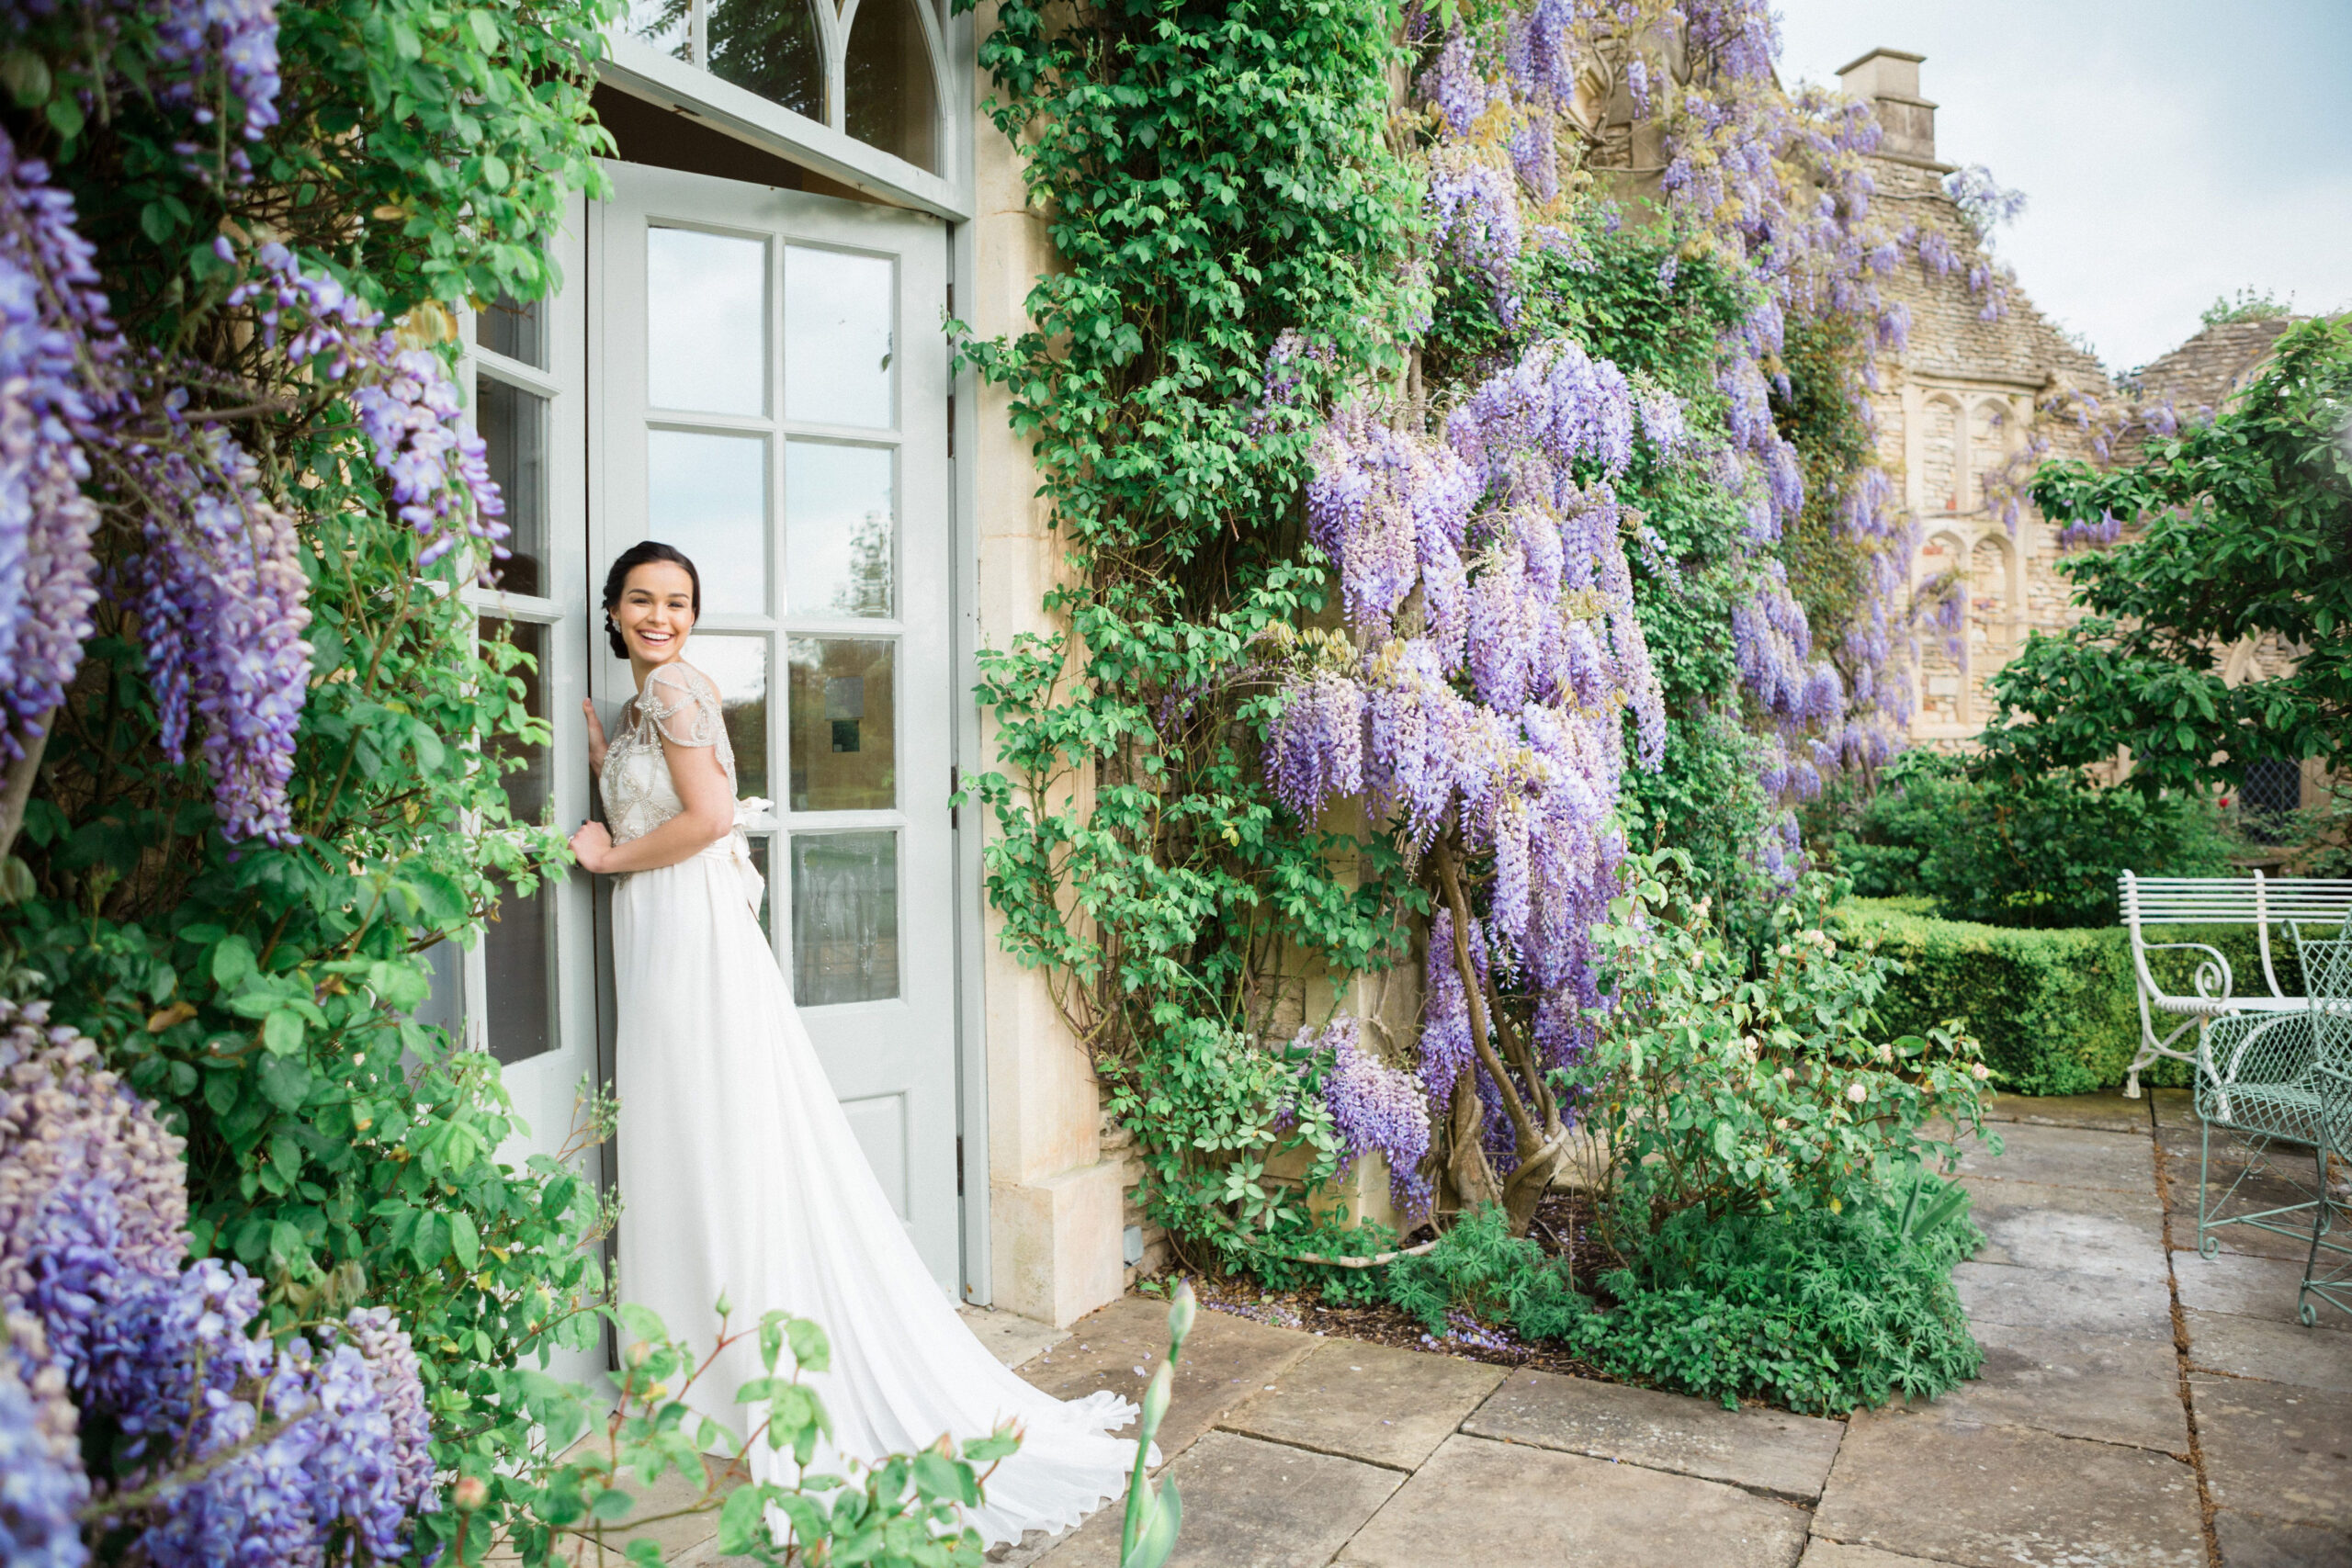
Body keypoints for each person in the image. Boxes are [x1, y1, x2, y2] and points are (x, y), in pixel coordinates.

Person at [568, 541, 1144, 1545]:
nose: (660, 616)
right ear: (611, 609)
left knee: (712, 1131)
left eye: (678, 602)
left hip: (687, 930)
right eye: (642, 601)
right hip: (662, 928)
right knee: (683, 1133)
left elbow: (704, 818)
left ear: (692, 617)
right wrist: (602, 769)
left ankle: (728, 1378)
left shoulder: (677, 691)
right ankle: (691, 1373)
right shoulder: (644, 704)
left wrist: (610, 851)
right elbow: (668, 795)